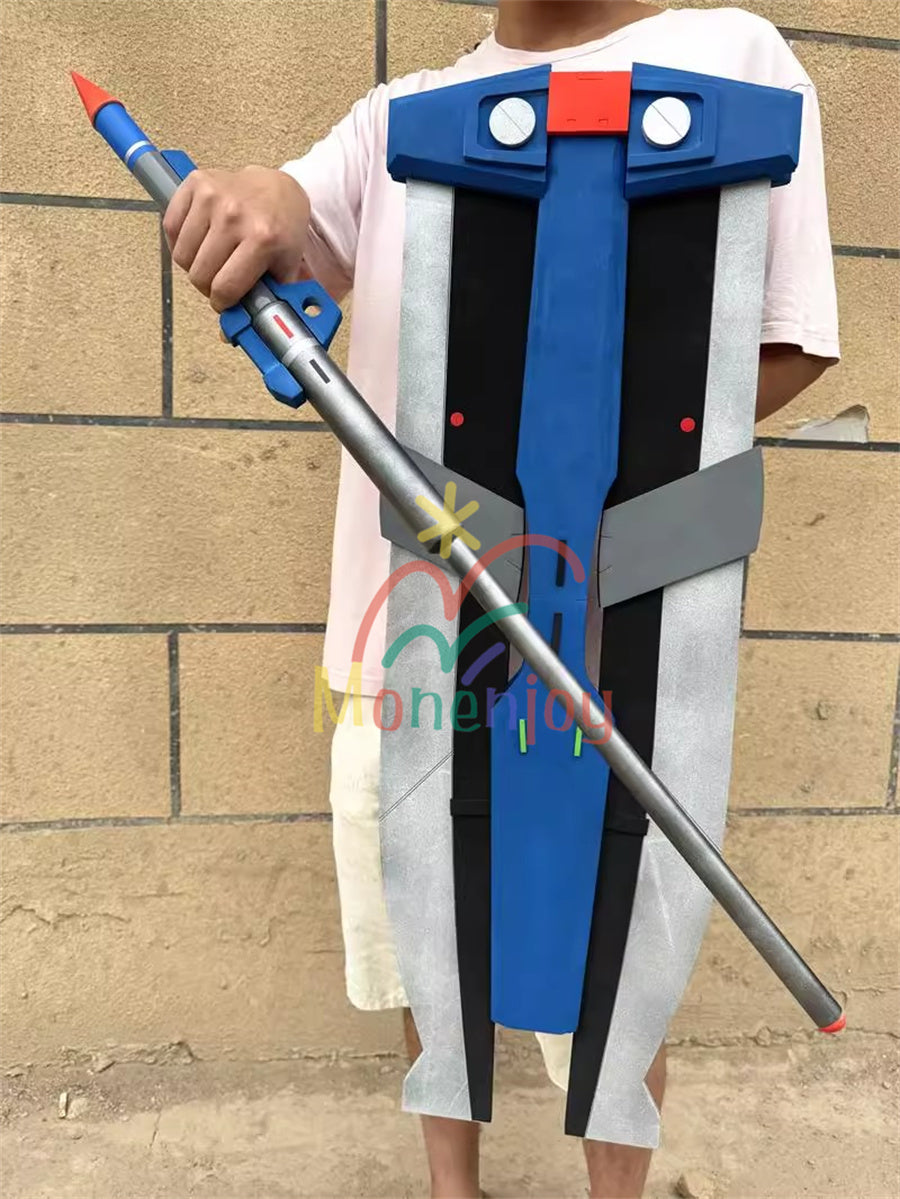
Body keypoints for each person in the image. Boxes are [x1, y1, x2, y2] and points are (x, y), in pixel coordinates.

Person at [162, 3, 840, 1195]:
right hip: (410, 628)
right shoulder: (399, 117)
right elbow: (290, 209)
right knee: (430, 931)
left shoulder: (735, 61)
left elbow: (780, 347)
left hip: (615, 627)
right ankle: (452, 1187)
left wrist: (590, 489)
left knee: (614, 946)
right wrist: (254, 195)